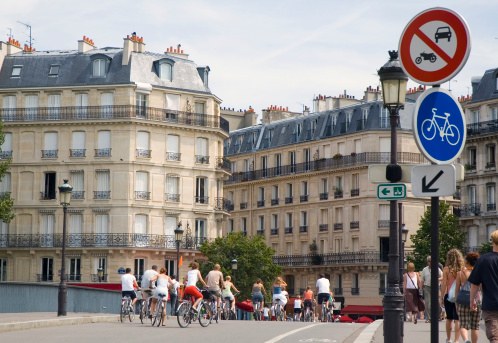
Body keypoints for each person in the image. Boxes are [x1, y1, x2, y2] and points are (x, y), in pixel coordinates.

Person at [469, 230, 498, 343]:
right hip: (490, 304)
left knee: (494, 336)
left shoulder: (484, 260)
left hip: (491, 304)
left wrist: (472, 300)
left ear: (492, 241)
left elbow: (475, 284)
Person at [455, 252, 481, 343]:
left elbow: (457, 289)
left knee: (463, 324)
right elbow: (481, 287)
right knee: (475, 326)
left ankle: (466, 340)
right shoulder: (479, 272)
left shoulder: (460, 273)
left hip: (463, 300)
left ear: (467, 261)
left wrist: (456, 302)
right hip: (477, 299)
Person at [441, 248, 465, 343]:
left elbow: (444, 284)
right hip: (459, 295)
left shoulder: (447, 269)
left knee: (449, 318)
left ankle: (448, 339)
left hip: (449, 295)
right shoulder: (463, 269)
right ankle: (456, 340)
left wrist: (441, 297)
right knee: (457, 319)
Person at [420, 256, 443, 323]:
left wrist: (438, 279)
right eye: (430, 261)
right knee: (428, 303)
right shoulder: (425, 270)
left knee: (438, 303)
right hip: (427, 287)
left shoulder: (437, 269)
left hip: (436, 287)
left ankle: (438, 316)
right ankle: (429, 318)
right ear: (428, 262)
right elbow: (422, 280)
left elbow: (442, 277)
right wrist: (420, 289)